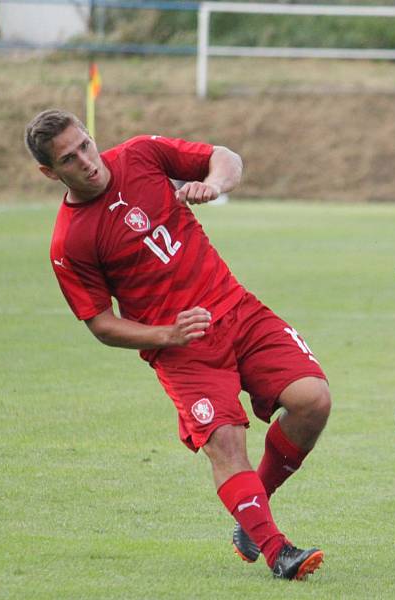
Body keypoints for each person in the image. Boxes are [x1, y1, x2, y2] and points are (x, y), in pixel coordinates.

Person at [25, 109, 331, 581]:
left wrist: (215, 184)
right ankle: (278, 552)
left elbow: (224, 157)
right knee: (227, 445)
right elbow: (100, 323)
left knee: (313, 401)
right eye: (69, 159)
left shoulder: (140, 154)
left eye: (85, 144)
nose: (86, 160)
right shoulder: (70, 242)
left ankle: (254, 513)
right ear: (50, 172)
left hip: (237, 309)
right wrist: (165, 335)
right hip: (183, 350)